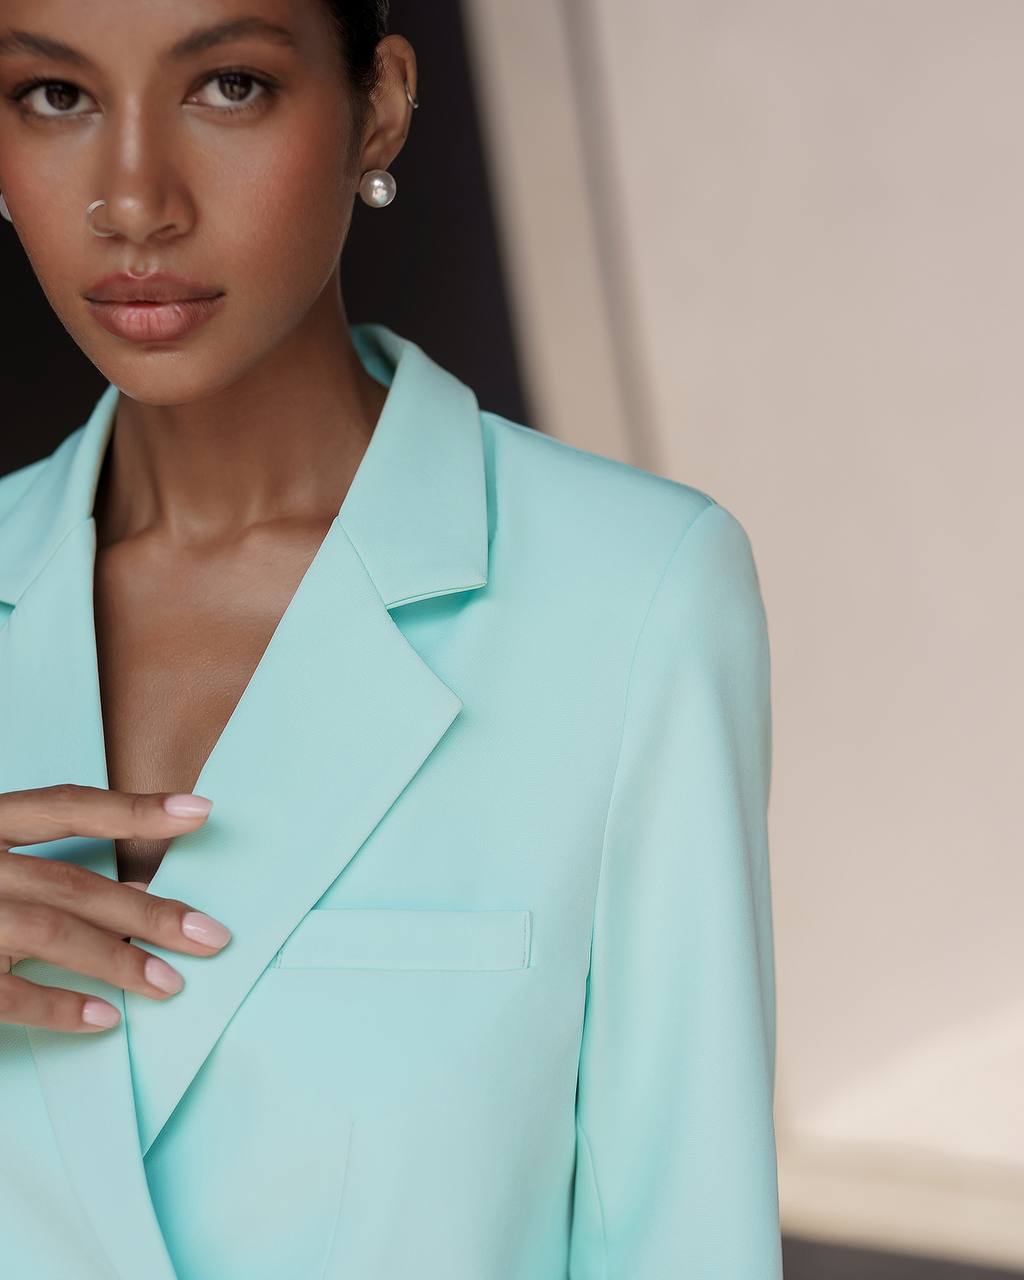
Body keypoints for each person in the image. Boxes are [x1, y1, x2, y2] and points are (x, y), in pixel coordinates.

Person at [0, 2, 783, 1277]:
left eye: (230, 86)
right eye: (55, 98)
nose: (133, 201)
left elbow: (685, 1235)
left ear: (379, 105)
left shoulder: (633, 595)